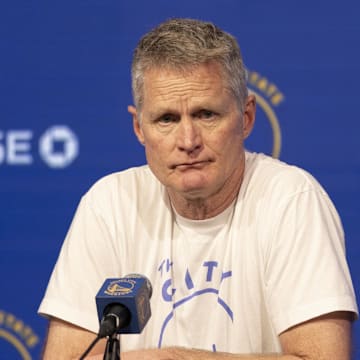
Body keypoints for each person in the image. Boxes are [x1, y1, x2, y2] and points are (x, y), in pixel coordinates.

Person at [38, 18, 358, 359]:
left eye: (206, 115)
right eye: (167, 119)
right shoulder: (110, 203)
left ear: (246, 117)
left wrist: (173, 358)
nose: (188, 141)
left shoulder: (291, 200)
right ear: (138, 128)